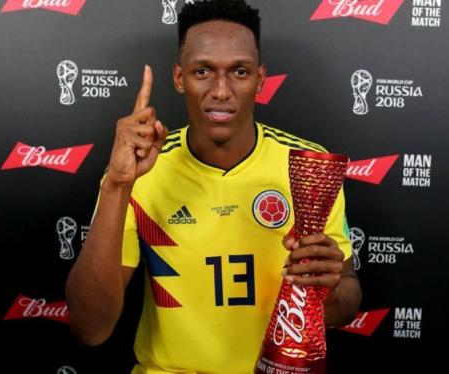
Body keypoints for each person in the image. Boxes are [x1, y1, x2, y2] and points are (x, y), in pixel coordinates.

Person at [65, 1, 362, 373]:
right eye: (203, 70)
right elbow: (90, 329)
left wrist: (328, 289)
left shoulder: (308, 166)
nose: (220, 91)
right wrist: (117, 185)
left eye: (239, 71)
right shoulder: (141, 171)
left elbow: (345, 302)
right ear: (178, 78)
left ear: (260, 78)